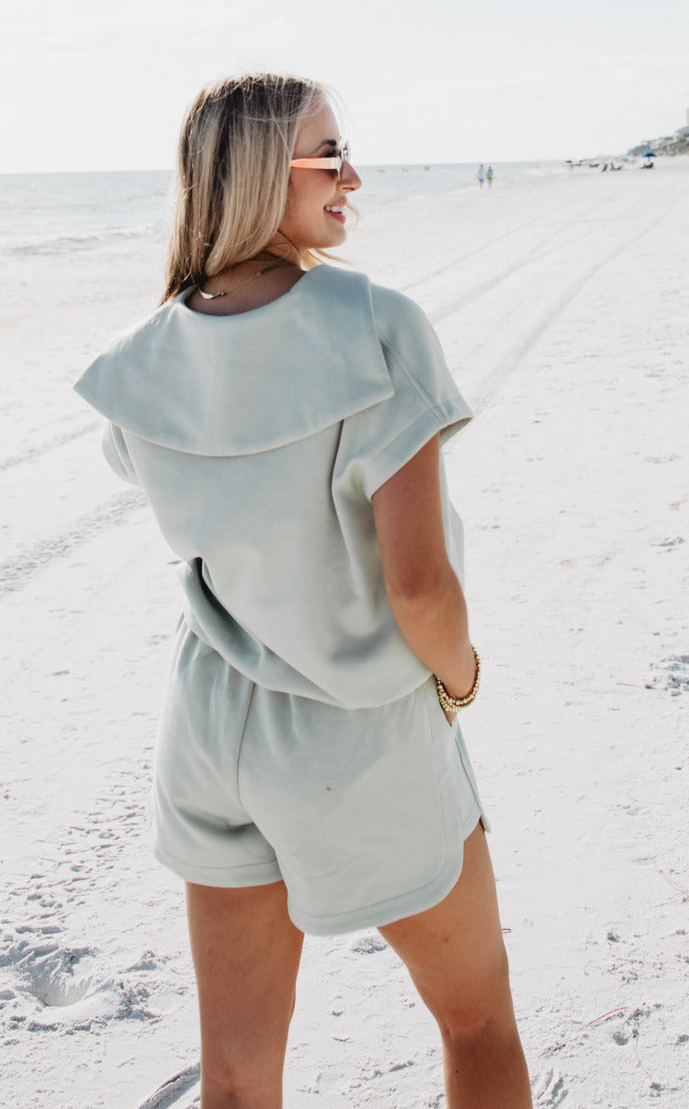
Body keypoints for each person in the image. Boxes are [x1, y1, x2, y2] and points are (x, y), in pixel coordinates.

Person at [75, 73, 531, 1109]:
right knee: (476, 1022)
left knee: (237, 1079)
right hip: (354, 731)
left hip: (207, 732)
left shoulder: (140, 356)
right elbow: (418, 589)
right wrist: (456, 689)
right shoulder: (371, 320)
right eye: (328, 157)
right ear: (252, 175)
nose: (352, 178)